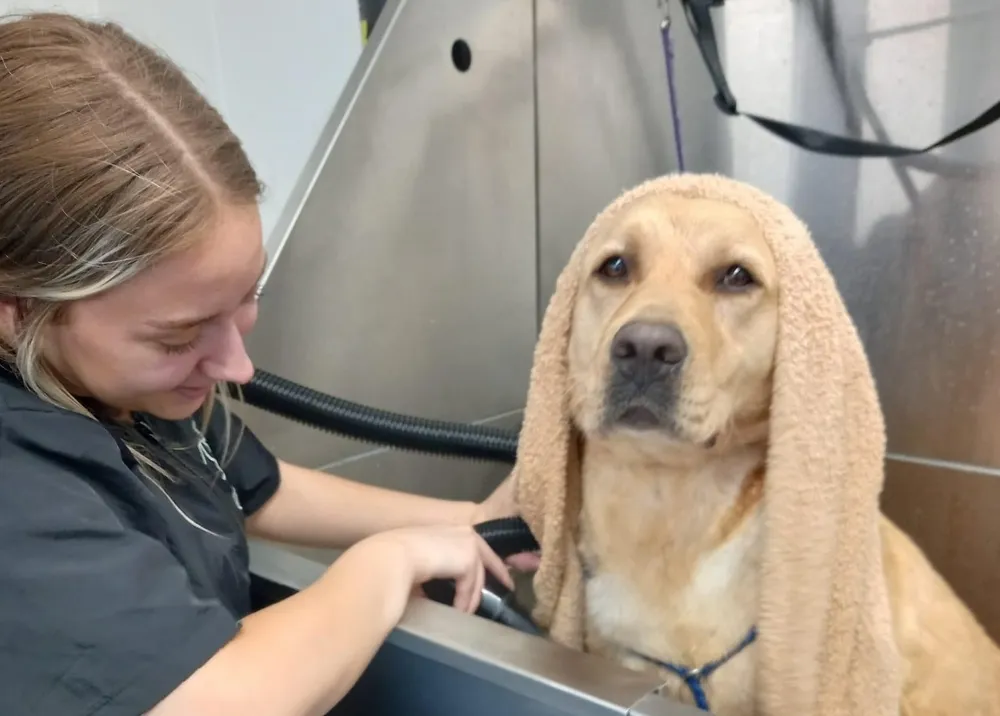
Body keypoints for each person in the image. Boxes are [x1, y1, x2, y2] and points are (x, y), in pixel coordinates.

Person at [0, 11, 537, 716]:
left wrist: (472, 519)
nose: (238, 365)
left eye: (247, 297)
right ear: (17, 311)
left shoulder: (113, 382)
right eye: (176, 337)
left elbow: (254, 488)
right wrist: (387, 563)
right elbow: (214, 703)